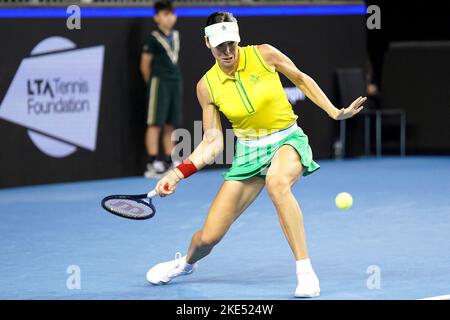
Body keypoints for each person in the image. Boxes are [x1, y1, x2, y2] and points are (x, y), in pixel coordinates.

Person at [146, 12, 366, 298]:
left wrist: (334, 111)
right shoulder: (206, 86)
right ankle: (185, 264)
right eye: (219, 45)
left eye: (231, 44)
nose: (227, 52)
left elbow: (300, 79)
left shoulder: (264, 54)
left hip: (286, 138)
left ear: (238, 40)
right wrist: (176, 174)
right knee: (208, 237)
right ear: (207, 43)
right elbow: (213, 141)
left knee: (277, 183)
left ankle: (305, 271)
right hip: (248, 153)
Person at [140, 0, 183, 178]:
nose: (170, 18)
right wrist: (152, 85)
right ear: (157, 17)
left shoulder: (176, 35)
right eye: (165, 14)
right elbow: (144, 66)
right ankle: (152, 163)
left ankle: (169, 160)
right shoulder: (152, 39)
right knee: (155, 123)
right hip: (158, 84)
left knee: (169, 124)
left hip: (174, 83)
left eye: (172, 14)